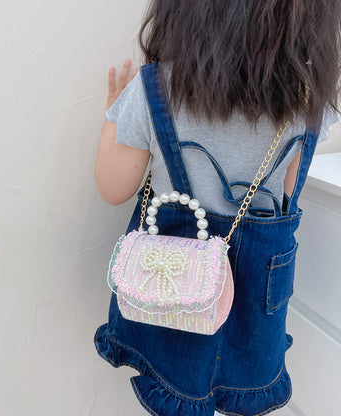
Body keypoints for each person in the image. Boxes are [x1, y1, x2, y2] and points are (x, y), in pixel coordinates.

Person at [94, 1, 341, 415]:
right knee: (242, 378)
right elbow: (288, 187)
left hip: (175, 284)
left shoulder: (154, 88)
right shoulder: (308, 101)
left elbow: (113, 187)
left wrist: (112, 114)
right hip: (256, 288)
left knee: (176, 378)